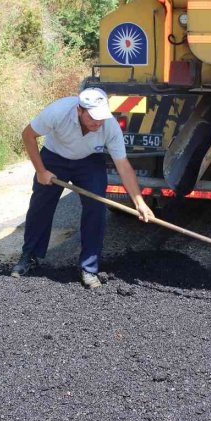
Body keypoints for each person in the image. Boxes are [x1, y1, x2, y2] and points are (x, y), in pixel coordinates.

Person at [11, 88, 155, 288]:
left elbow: (123, 165)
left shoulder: (109, 126)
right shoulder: (58, 112)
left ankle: (89, 267)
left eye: (101, 118)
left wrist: (139, 202)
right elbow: (28, 135)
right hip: (54, 157)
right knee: (40, 205)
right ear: (79, 110)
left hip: (89, 161)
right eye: (93, 118)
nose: (98, 123)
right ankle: (29, 256)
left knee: (96, 207)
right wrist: (41, 171)